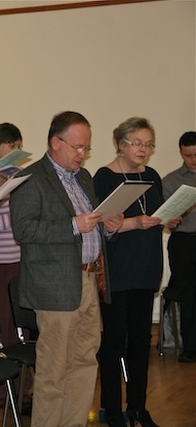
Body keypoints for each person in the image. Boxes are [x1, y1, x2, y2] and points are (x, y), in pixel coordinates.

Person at [10, 111, 124, 427]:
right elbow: (24, 230)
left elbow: (92, 226)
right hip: (54, 286)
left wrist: (109, 227)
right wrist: (73, 225)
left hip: (89, 279)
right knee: (54, 368)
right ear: (55, 142)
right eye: (77, 147)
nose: (82, 155)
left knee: (85, 362)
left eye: (86, 148)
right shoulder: (30, 178)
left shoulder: (83, 178)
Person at [94, 117, 178, 427]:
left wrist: (167, 219)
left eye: (148, 144)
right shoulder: (103, 177)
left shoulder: (153, 175)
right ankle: (112, 410)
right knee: (114, 343)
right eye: (137, 143)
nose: (143, 149)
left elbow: (154, 214)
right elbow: (99, 227)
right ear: (120, 144)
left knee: (142, 343)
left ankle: (138, 408)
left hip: (146, 269)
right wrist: (133, 223)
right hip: (118, 270)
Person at [0, 123, 34, 409]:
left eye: (18, 145)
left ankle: (24, 388)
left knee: (21, 324)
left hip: (19, 259)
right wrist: (14, 216)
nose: (14, 150)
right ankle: (2, 392)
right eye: (9, 144)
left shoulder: (20, 175)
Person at [163, 131, 196, 364]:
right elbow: (165, 216)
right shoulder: (171, 181)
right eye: (188, 155)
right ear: (181, 154)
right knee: (189, 295)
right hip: (184, 242)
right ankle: (190, 346)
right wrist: (170, 219)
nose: (193, 159)